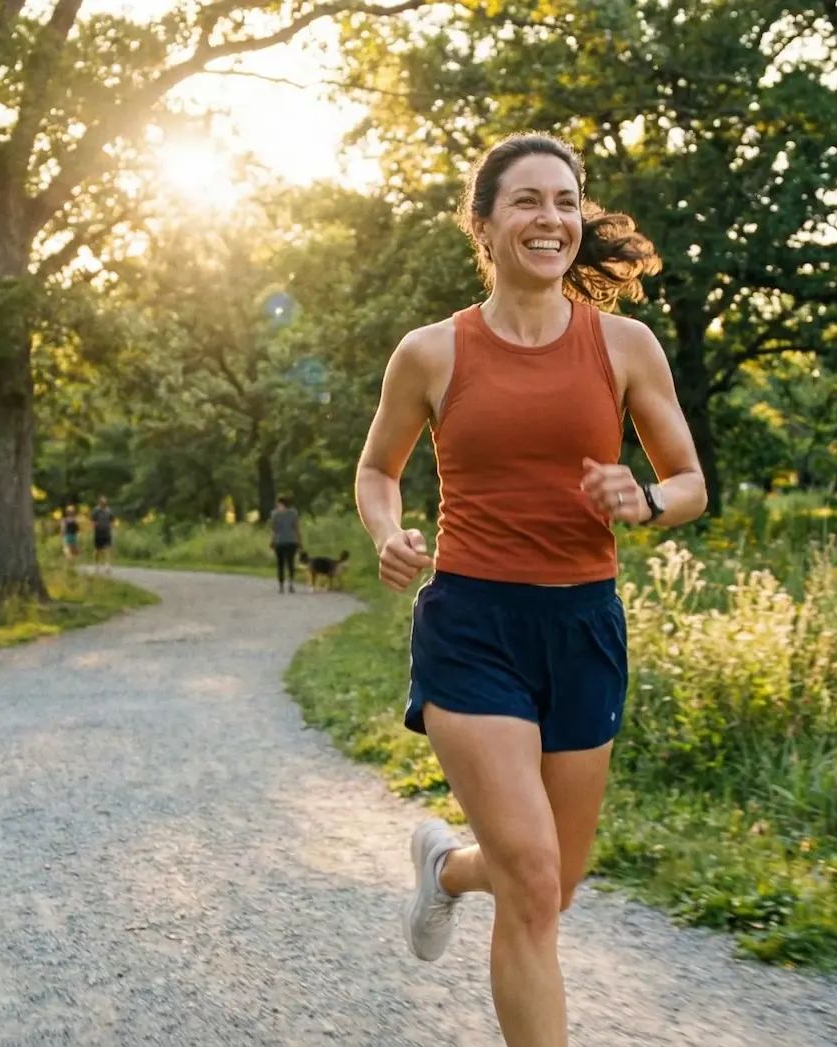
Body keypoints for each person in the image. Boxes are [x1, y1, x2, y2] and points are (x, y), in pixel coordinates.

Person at [354, 132, 706, 1047]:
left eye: (565, 201)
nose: (550, 219)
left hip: (583, 624)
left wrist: (647, 498)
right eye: (527, 201)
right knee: (536, 873)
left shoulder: (624, 346)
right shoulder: (431, 353)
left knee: (550, 885)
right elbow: (377, 470)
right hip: (472, 623)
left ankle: (446, 870)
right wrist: (390, 533)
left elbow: (690, 481)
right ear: (484, 224)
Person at [269, 496, 303, 593]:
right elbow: (296, 528)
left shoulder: (276, 514)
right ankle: (287, 584)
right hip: (287, 541)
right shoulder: (292, 513)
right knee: (286, 564)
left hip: (284, 541)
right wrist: (300, 541)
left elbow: (274, 529)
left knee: (285, 564)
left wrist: (272, 541)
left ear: (281, 503)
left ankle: (285, 585)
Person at [90, 496, 115, 573]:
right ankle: (96, 565)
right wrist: (95, 527)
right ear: (99, 503)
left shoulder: (109, 511)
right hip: (98, 533)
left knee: (107, 549)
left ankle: (107, 565)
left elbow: (111, 520)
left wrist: (111, 528)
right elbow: (93, 521)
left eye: (105, 502)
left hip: (107, 532)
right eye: (102, 502)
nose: (104, 504)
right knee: (97, 550)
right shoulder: (96, 510)